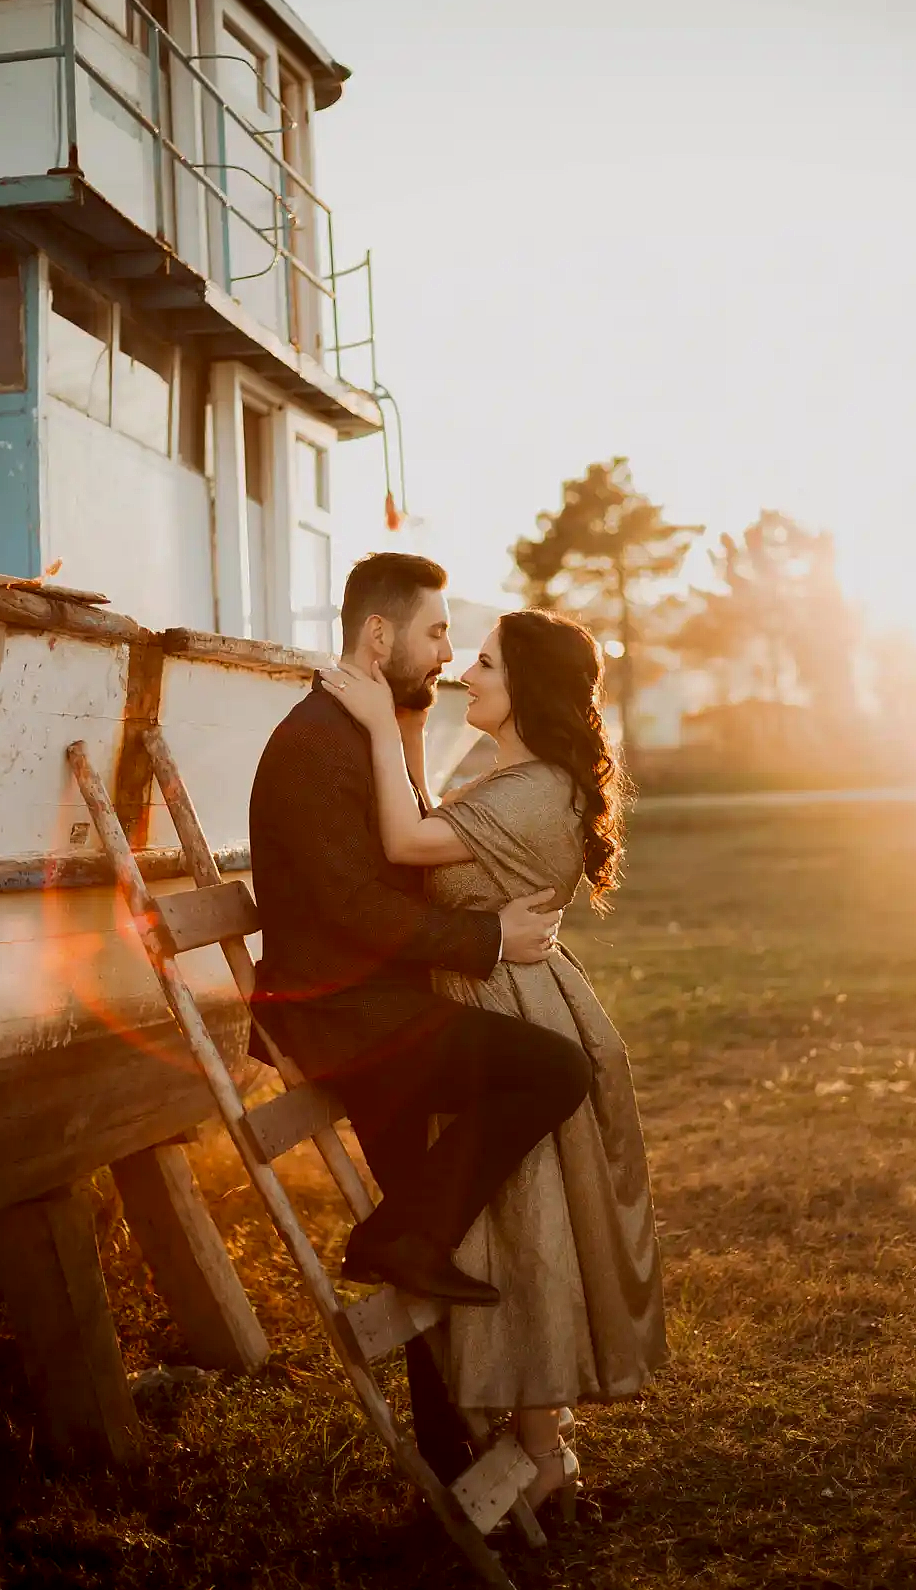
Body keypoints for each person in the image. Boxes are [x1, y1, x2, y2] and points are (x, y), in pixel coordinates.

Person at [248, 554, 593, 1485]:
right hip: (345, 1016)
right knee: (555, 1071)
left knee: (425, 1221)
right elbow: (355, 907)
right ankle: (401, 1243)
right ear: (378, 635)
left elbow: (404, 856)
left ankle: (447, 1445)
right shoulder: (314, 744)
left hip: (383, 1005)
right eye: (437, 633)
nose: (447, 654)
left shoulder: (355, 730)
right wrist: (488, 939)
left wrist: (401, 725)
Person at [317, 605, 667, 1517]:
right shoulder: (515, 775)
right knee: (514, 1226)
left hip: (507, 1005)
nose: (465, 676)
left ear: (528, 688)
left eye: (485, 664)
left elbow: (406, 843)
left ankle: (544, 1454)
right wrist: (404, 728)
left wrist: (375, 725)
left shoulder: (537, 790)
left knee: (524, 1224)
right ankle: (545, 1450)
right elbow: (436, 825)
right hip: (493, 995)